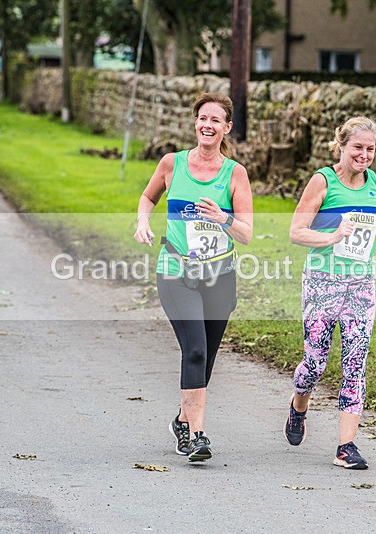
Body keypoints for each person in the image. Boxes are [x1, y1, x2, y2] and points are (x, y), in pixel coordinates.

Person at [134, 93, 253, 462]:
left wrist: (224, 218)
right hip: (177, 271)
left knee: (207, 356)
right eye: (203, 118)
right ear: (195, 122)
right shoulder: (172, 164)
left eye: (216, 120)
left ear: (227, 128)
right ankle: (197, 436)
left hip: (220, 275)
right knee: (196, 349)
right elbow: (148, 197)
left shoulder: (235, 173)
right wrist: (142, 222)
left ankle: (182, 421)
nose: (207, 125)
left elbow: (246, 232)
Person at [284, 116, 376, 469]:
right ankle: (298, 405)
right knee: (315, 363)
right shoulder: (323, 181)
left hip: (361, 285)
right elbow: (296, 231)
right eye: (357, 148)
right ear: (342, 146)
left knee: (355, 362)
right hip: (322, 280)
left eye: (370, 149)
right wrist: (332, 237)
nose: (364, 155)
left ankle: (346, 447)